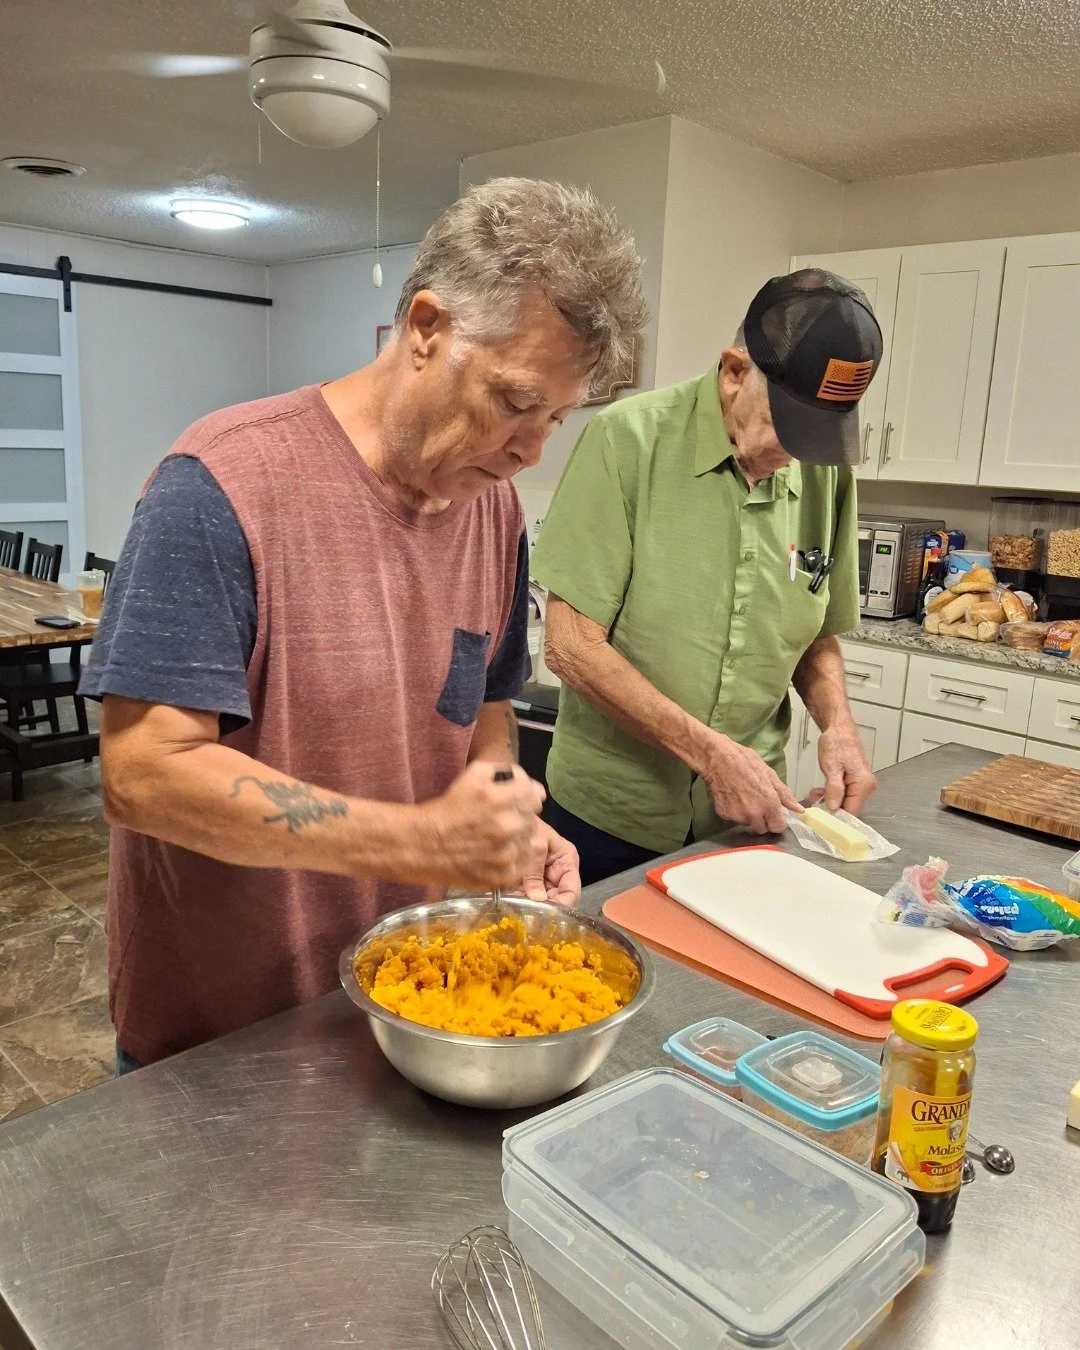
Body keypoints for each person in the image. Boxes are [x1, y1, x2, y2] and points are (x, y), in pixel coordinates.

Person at [81, 177, 648, 1068]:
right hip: (224, 1036)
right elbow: (143, 775)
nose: (531, 450)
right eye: (513, 401)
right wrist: (418, 840)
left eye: (557, 419)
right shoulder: (222, 483)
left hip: (409, 1012)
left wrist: (503, 820)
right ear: (425, 328)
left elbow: (485, 717)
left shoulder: (495, 515)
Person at [531, 269, 882, 885]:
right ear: (734, 371)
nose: (796, 454)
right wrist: (711, 755)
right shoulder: (625, 442)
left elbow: (814, 630)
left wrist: (839, 726)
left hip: (745, 819)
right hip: (611, 818)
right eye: (788, 427)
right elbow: (569, 646)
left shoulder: (826, 472)